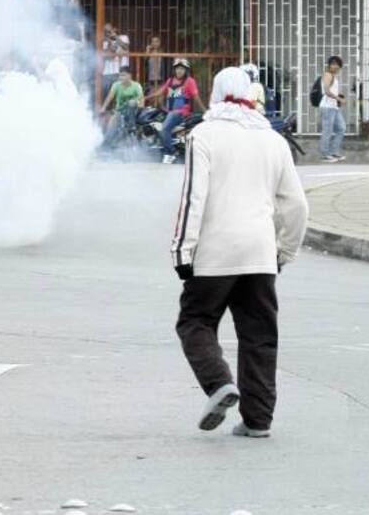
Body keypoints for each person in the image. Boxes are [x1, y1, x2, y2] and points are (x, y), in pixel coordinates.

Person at [171, 67, 308, 439]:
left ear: (215, 94)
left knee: (195, 321)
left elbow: (192, 198)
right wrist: (284, 252)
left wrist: (182, 252)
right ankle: (258, 420)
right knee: (259, 335)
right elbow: (296, 206)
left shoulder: (204, 135)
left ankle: (219, 384)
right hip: (261, 254)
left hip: (215, 253)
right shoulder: (274, 141)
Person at [148, 57, 206, 164]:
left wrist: (205, 111)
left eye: (182, 69)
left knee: (164, 129)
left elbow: (196, 97)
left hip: (180, 113)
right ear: (174, 69)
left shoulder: (190, 81)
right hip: (169, 112)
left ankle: (170, 153)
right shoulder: (170, 81)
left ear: (186, 70)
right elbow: (160, 92)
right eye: (177, 68)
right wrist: (145, 98)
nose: (179, 71)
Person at [100, 67, 144, 147]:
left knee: (131, 103)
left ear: (129, 76)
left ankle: (132, 127)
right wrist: (103, 107)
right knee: (110, 130)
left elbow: (141, 100)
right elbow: (110, 97)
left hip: (134, 112)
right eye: (120, 76)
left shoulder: (136, 86)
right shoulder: (116, 85)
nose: (121, 78)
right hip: (120, 111)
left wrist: (139, 106)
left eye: (123, 75)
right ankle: (104, 148)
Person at [319, 55, 346, 162]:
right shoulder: (328, 75)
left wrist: (338, 97)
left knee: (341, 128)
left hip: (333, 107)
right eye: (333, 64)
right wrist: (339, 98)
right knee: (328, 130)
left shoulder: (333, 76)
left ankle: (333, 151)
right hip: (327, 107)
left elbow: (331, 91)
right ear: (329, 65)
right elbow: (326, 91)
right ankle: (325, 154)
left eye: (337, 64)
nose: (335, 66)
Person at [101, 23, 130, 94]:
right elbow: (109, 56)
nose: (108, 33)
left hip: (121, 71)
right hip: (107, 72)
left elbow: (126, 47)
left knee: (121, 94)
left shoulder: (123, 37)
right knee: (107, 95)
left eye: (109, 31)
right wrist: (109, 41)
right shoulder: (104, 42)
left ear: (114, 29)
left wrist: (116, 37)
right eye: (106, 31)